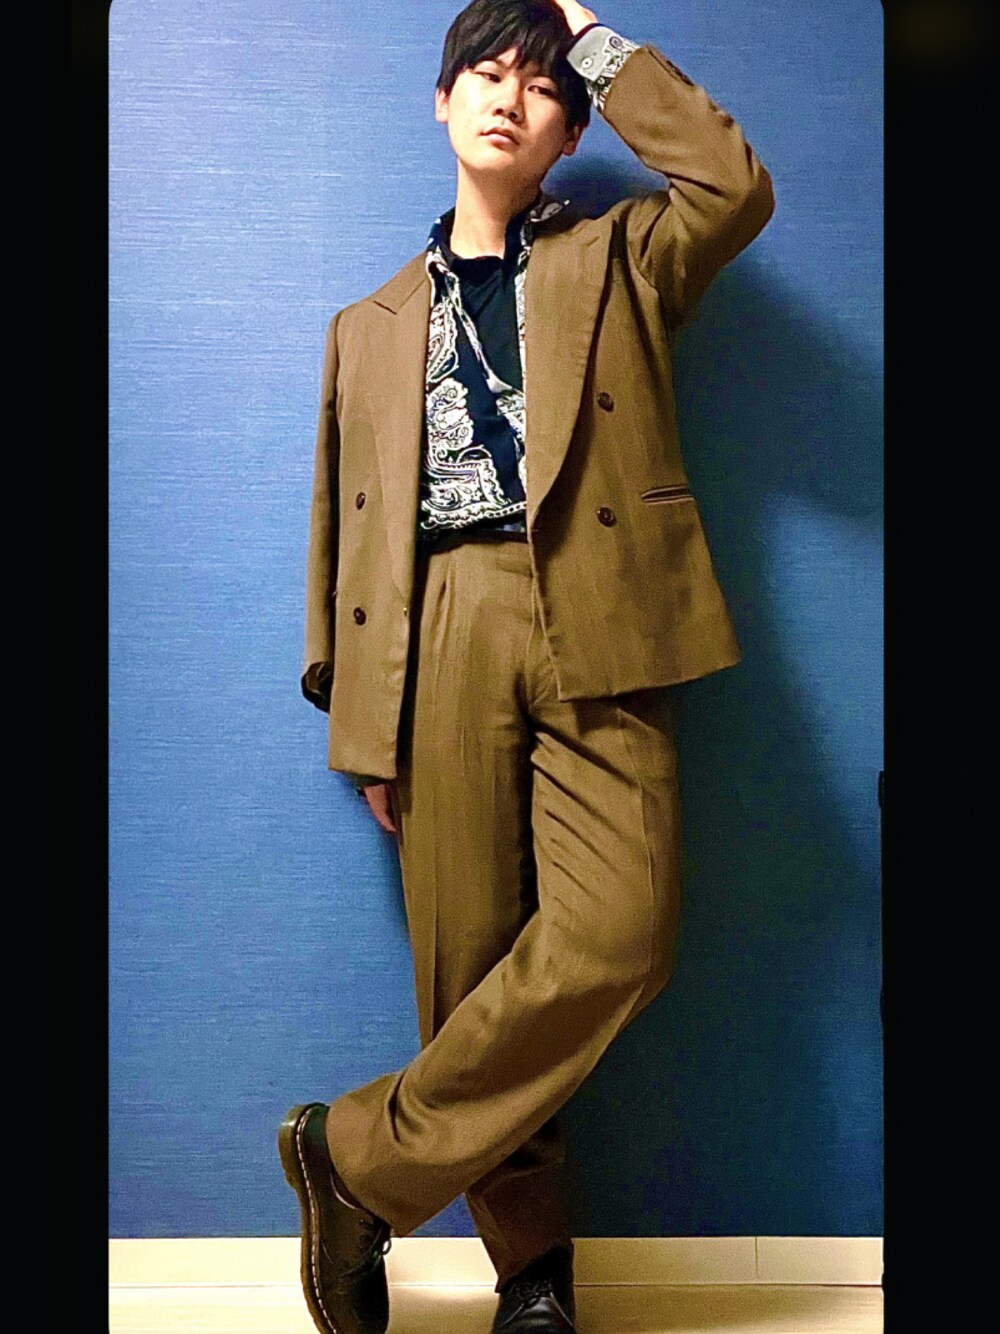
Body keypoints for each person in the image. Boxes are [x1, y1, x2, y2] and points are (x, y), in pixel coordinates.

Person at [278, 2, 775, 1331]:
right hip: (436, 626)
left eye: (539, 83)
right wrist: (359, 713)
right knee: (470, 963)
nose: (508, 95)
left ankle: (354, 1161)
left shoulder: (624, 257)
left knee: (625, 932)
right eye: (484, 73)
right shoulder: (367, 322)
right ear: (441, 102)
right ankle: (532, 1271)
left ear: (568, 130)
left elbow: (733, 186)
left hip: (603, 610)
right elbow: (341, 529)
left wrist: (588, 33)